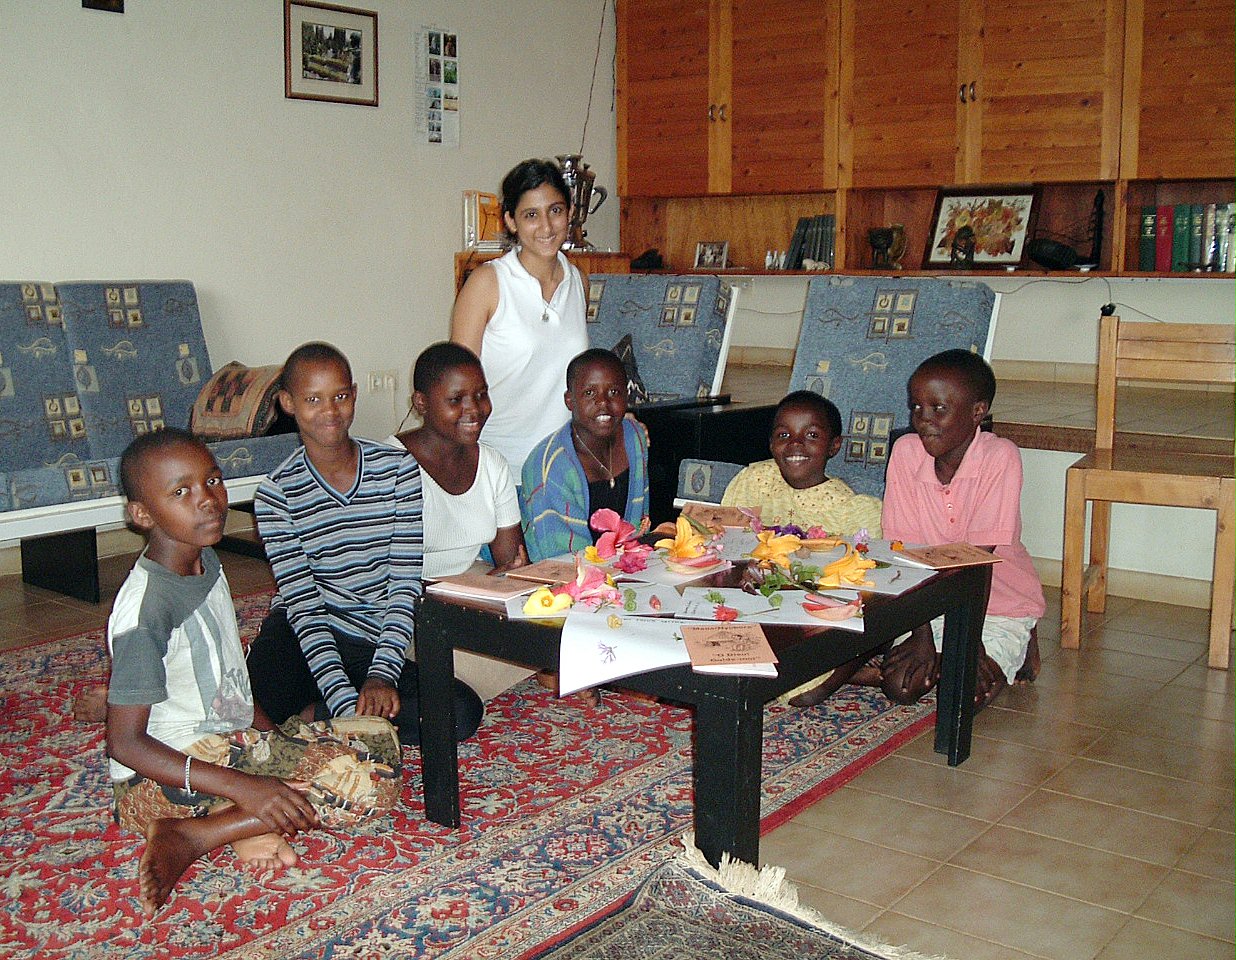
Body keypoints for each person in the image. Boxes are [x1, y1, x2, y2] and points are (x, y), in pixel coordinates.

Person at [105, 428, 401, 917]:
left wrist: (272, 741)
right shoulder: (146, 611)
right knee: (374, 784)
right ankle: (199, 833)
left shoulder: (208, 561)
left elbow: (230, 684)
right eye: (181, 492)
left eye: (213, 481)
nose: (208, 500)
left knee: (379, 735)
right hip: (158, 782)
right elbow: (125, 745)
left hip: (222, 745)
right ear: (141, 514)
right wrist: (246, 784)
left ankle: (238, 819)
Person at [246, 342, 483, 746]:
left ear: (354, 394)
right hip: (306, 633)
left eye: (340, 396)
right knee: (246, 701)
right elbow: (303, 606)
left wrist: (381, 675)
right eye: (313, 400)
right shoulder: (275, 495)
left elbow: (404, 584)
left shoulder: (397, 470)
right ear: (288, 403)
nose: (330, 411)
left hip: (373, 639)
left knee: (461, 712)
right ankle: (332, 712)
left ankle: (312, 716)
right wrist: (345, 705)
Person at [797, 349, 1044, 709]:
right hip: (928, 599)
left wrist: (970, 645)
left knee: (961, 696)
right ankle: (937, 660)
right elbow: (904, 552)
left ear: (978, 412)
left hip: (994, 602)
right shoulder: (906, 452)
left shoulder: (1000, 457)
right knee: (900, 688)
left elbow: (976, 562)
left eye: (938, 409)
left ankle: (1023, 632)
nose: (923, 419)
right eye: (916, 407)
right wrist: (920, 634)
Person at [388, 341, 534, 699]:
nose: (475, 409)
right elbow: (376, 577)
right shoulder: (388, 466)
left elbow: (511, 563)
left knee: (550, 629)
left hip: (464, 594)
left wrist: (502, 585)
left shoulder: (492, 464)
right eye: (457, 400)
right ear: (421, 403)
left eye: (481, 395)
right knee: (470, 682)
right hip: (404, 608)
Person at [450, 158, 588, 479]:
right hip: (499, 468)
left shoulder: (579, 281)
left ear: (569, 213)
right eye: (531, 215)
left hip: (563, 468)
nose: (546, 226)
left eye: (555, 210)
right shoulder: (487, 283)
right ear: (511, 221)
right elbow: (456, 385)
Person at [521, 348, 650, 562]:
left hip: (617, 568)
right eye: (590, 393)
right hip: (560, 575)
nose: (603, 403)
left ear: (627, 396)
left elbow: (637, 529)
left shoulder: (634, 438)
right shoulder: (552, 466)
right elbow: (560, 561)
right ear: (569, 400)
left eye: (614, 392)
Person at [720, 390, 882, 536]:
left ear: (834, 446)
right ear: (771, 444)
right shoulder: (754, 481)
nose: (795, 443)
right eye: (783, 435)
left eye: (812, 434)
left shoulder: (854, 512)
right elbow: (725, 537)